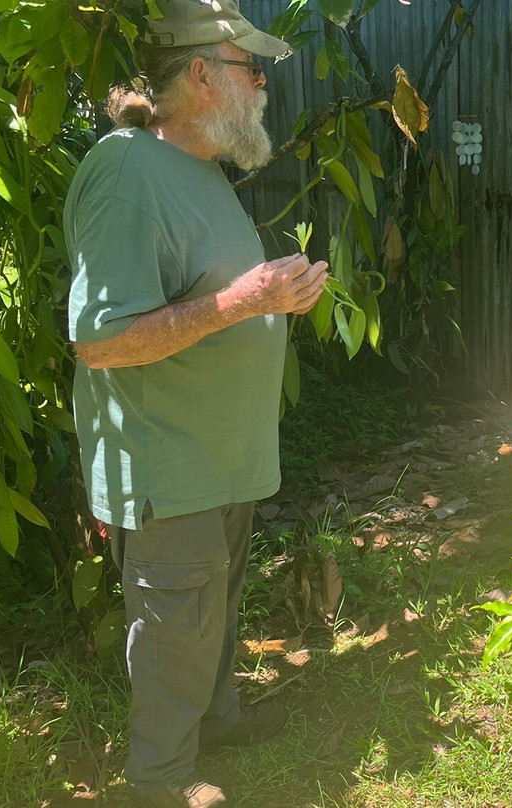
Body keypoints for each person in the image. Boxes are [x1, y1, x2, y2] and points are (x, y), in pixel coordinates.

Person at [64, 0, 329, 805]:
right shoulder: (124, 171)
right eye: (252, 70)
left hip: (219, 461)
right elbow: (101, 340)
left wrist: (276, 299)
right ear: (202, 75)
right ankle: (161, 780)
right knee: (177, 625)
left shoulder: (203, 173)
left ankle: (216, 719)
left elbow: (221, 298)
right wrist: (246, 302)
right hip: (165, 463)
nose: (263, 86)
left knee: (210, 610)